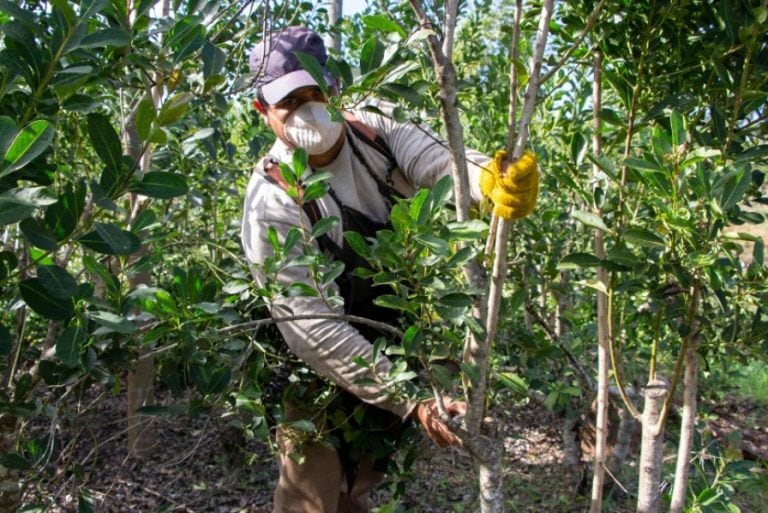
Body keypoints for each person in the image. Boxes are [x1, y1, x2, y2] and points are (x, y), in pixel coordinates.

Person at [240, 26, 537, 513]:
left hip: (395, 342)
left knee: (361, 486)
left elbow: (444, 164)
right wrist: (410, 398)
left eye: (318, 91)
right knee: (310, 495)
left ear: (337, 89)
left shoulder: (377, 131)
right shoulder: (272, 200)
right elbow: (310, 328)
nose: (309, 107)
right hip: (316, 367)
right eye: (291, 100)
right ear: (263, 111)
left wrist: (492, 180)